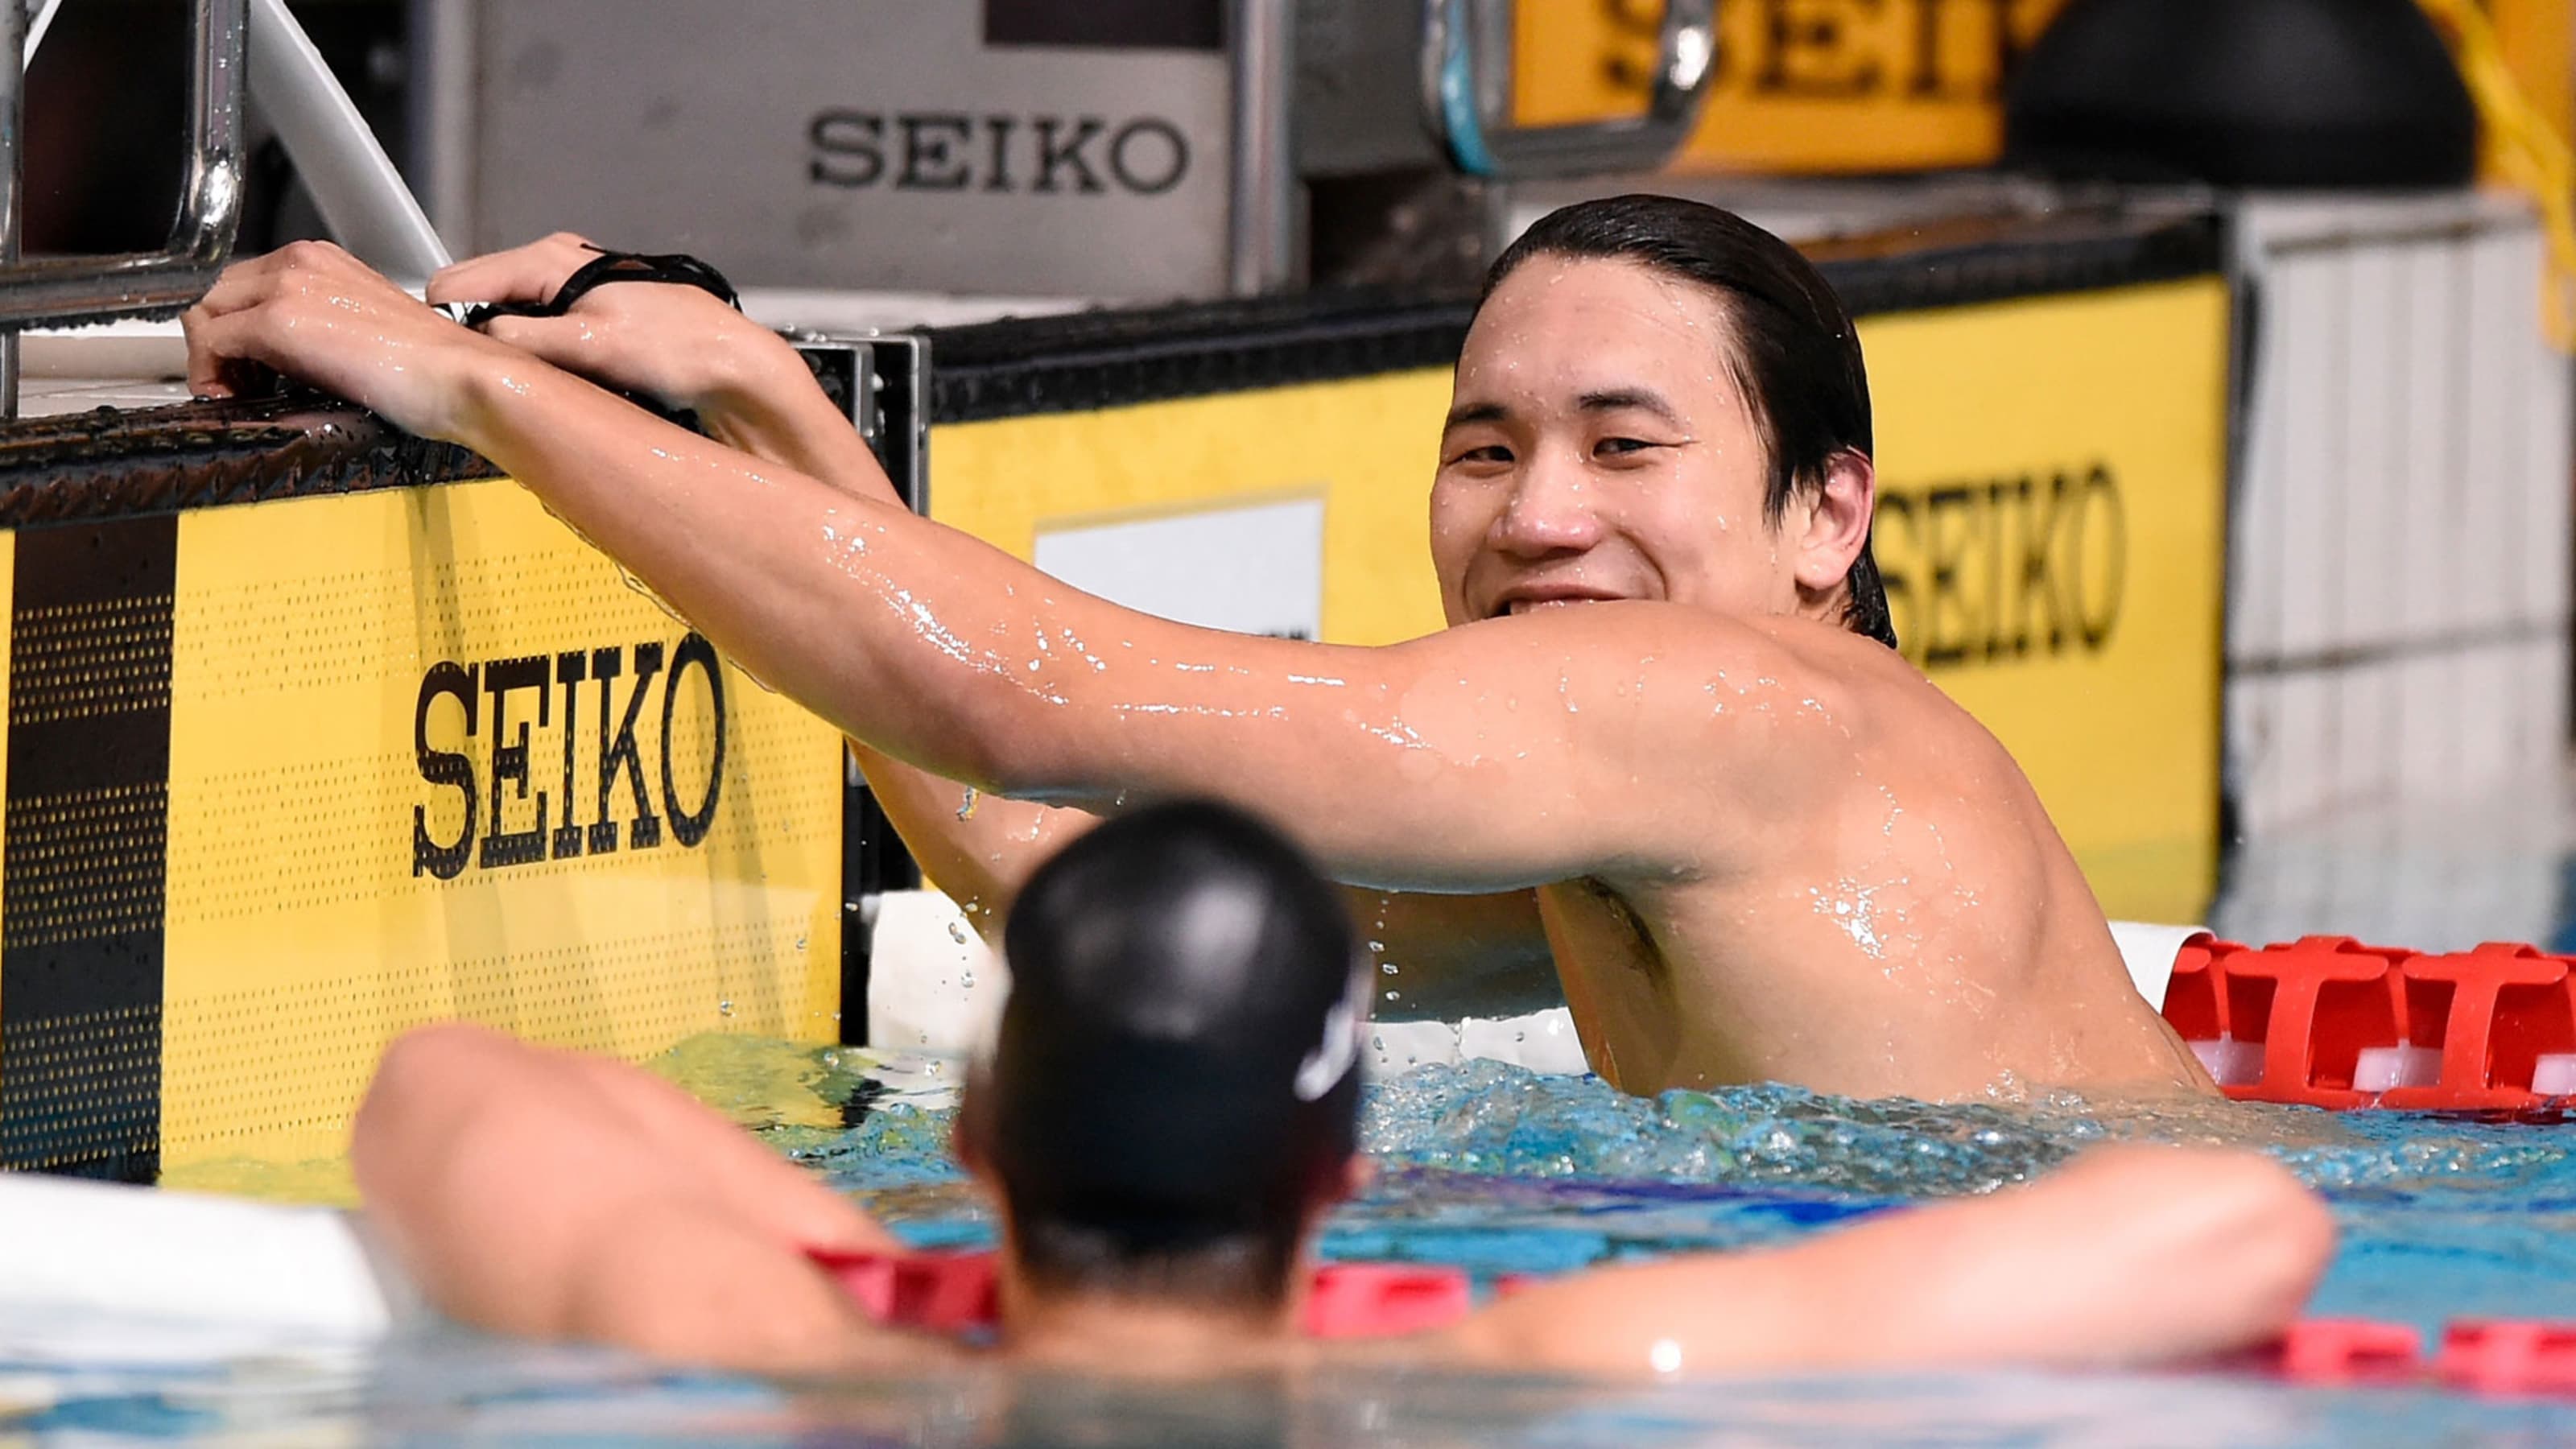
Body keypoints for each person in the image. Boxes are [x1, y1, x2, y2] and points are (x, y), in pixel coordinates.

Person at [183, 195, 2212, 1101]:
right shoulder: (1671, 835)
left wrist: (475, 398)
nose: (1539, 515)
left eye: (1626, 446)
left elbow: (1022, 696)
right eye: (1484, 445)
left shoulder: (1729, 704)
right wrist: (771, 406)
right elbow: (1059, 872)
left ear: (1827, 517)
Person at [353, 799, 2332, 1379]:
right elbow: (2240, 1217)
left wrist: (834, 1291)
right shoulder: (1528, 1379)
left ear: (972, 1143)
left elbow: (444, 1088)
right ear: (1352, 1166)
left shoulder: (781, 1347)